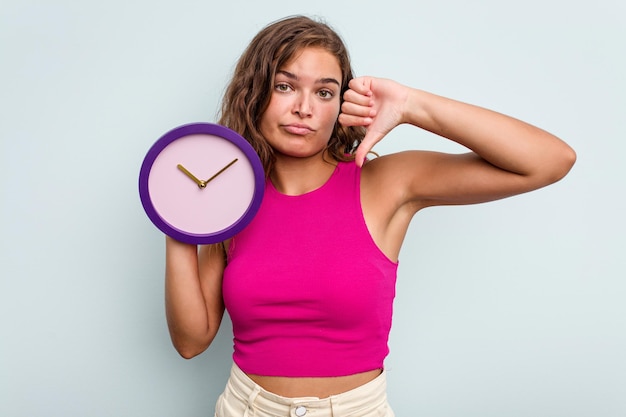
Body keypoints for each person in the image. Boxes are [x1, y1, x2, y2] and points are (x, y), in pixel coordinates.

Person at [164, 15, 576, 417]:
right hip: (246, 408)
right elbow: (191, 341)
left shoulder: (385, 183)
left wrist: (411, 104)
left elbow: (549, 161)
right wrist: (177, 221)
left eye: (324, 92)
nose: (304, 108)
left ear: (344, 103)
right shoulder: (232, 200)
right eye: (285, 86)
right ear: (254, 93)